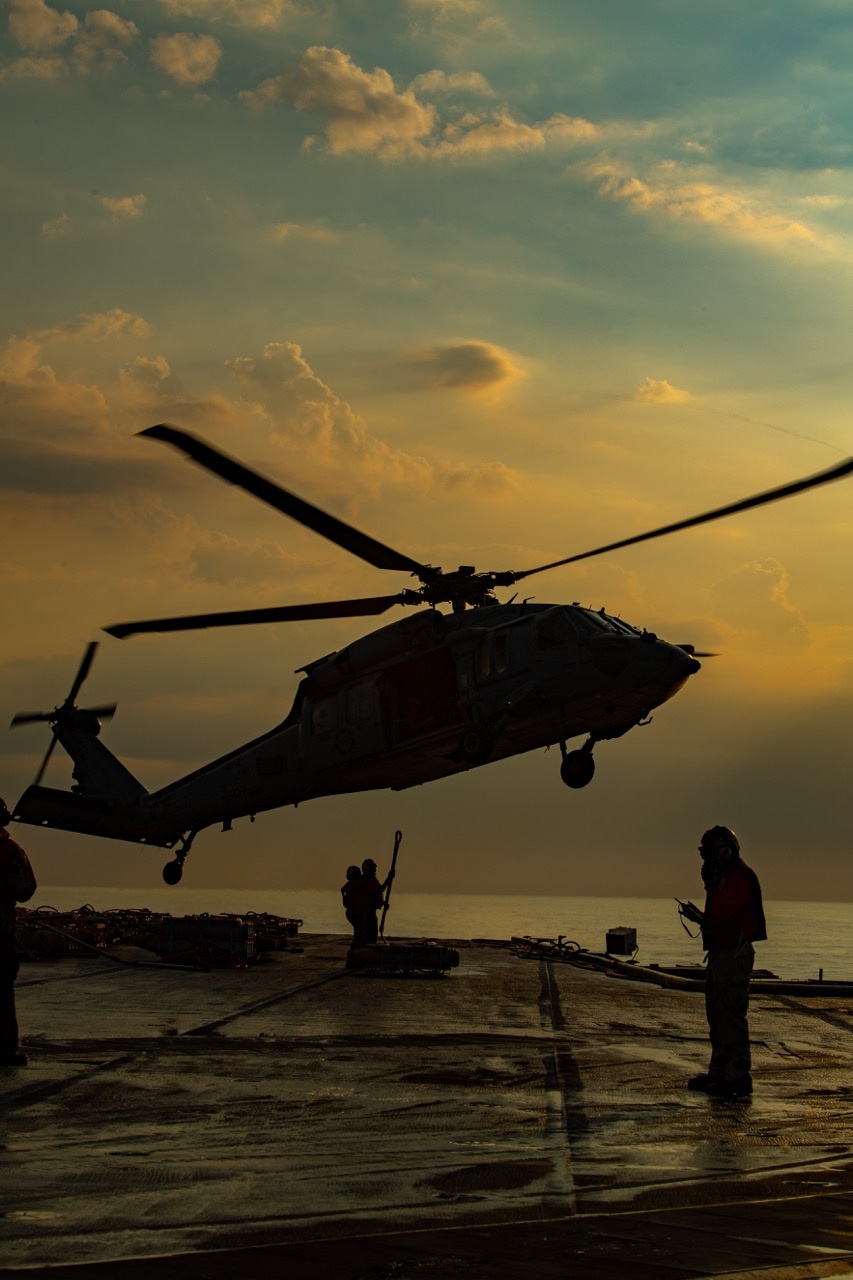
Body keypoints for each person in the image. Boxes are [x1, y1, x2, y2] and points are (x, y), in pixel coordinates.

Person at [687, 825, 766, 1098]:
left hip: (734, 954)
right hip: (722, 953)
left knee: (730, 1015)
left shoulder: (740, 877)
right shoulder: (727, 877)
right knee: (717, 1014)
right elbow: (719, 914)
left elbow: (726, 913)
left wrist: (710, 891)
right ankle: (719, 1071)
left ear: (724, 851)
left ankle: (737, 1075)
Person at [0, 797, 37, 1067]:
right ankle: (5, 1050)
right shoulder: (11, 851)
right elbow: (27, 888)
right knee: (2, 994)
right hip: (1, 935)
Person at [360, 858, 392, 944]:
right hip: (366, 914)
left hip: (371, 914)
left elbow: (380, 890)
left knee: (372, 936)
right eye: (373, 868)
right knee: (366, 935)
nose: (375, 870)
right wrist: (382, 903)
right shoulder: (364, 881)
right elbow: (370, 896)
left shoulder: (373, 880)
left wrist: (389, 878)